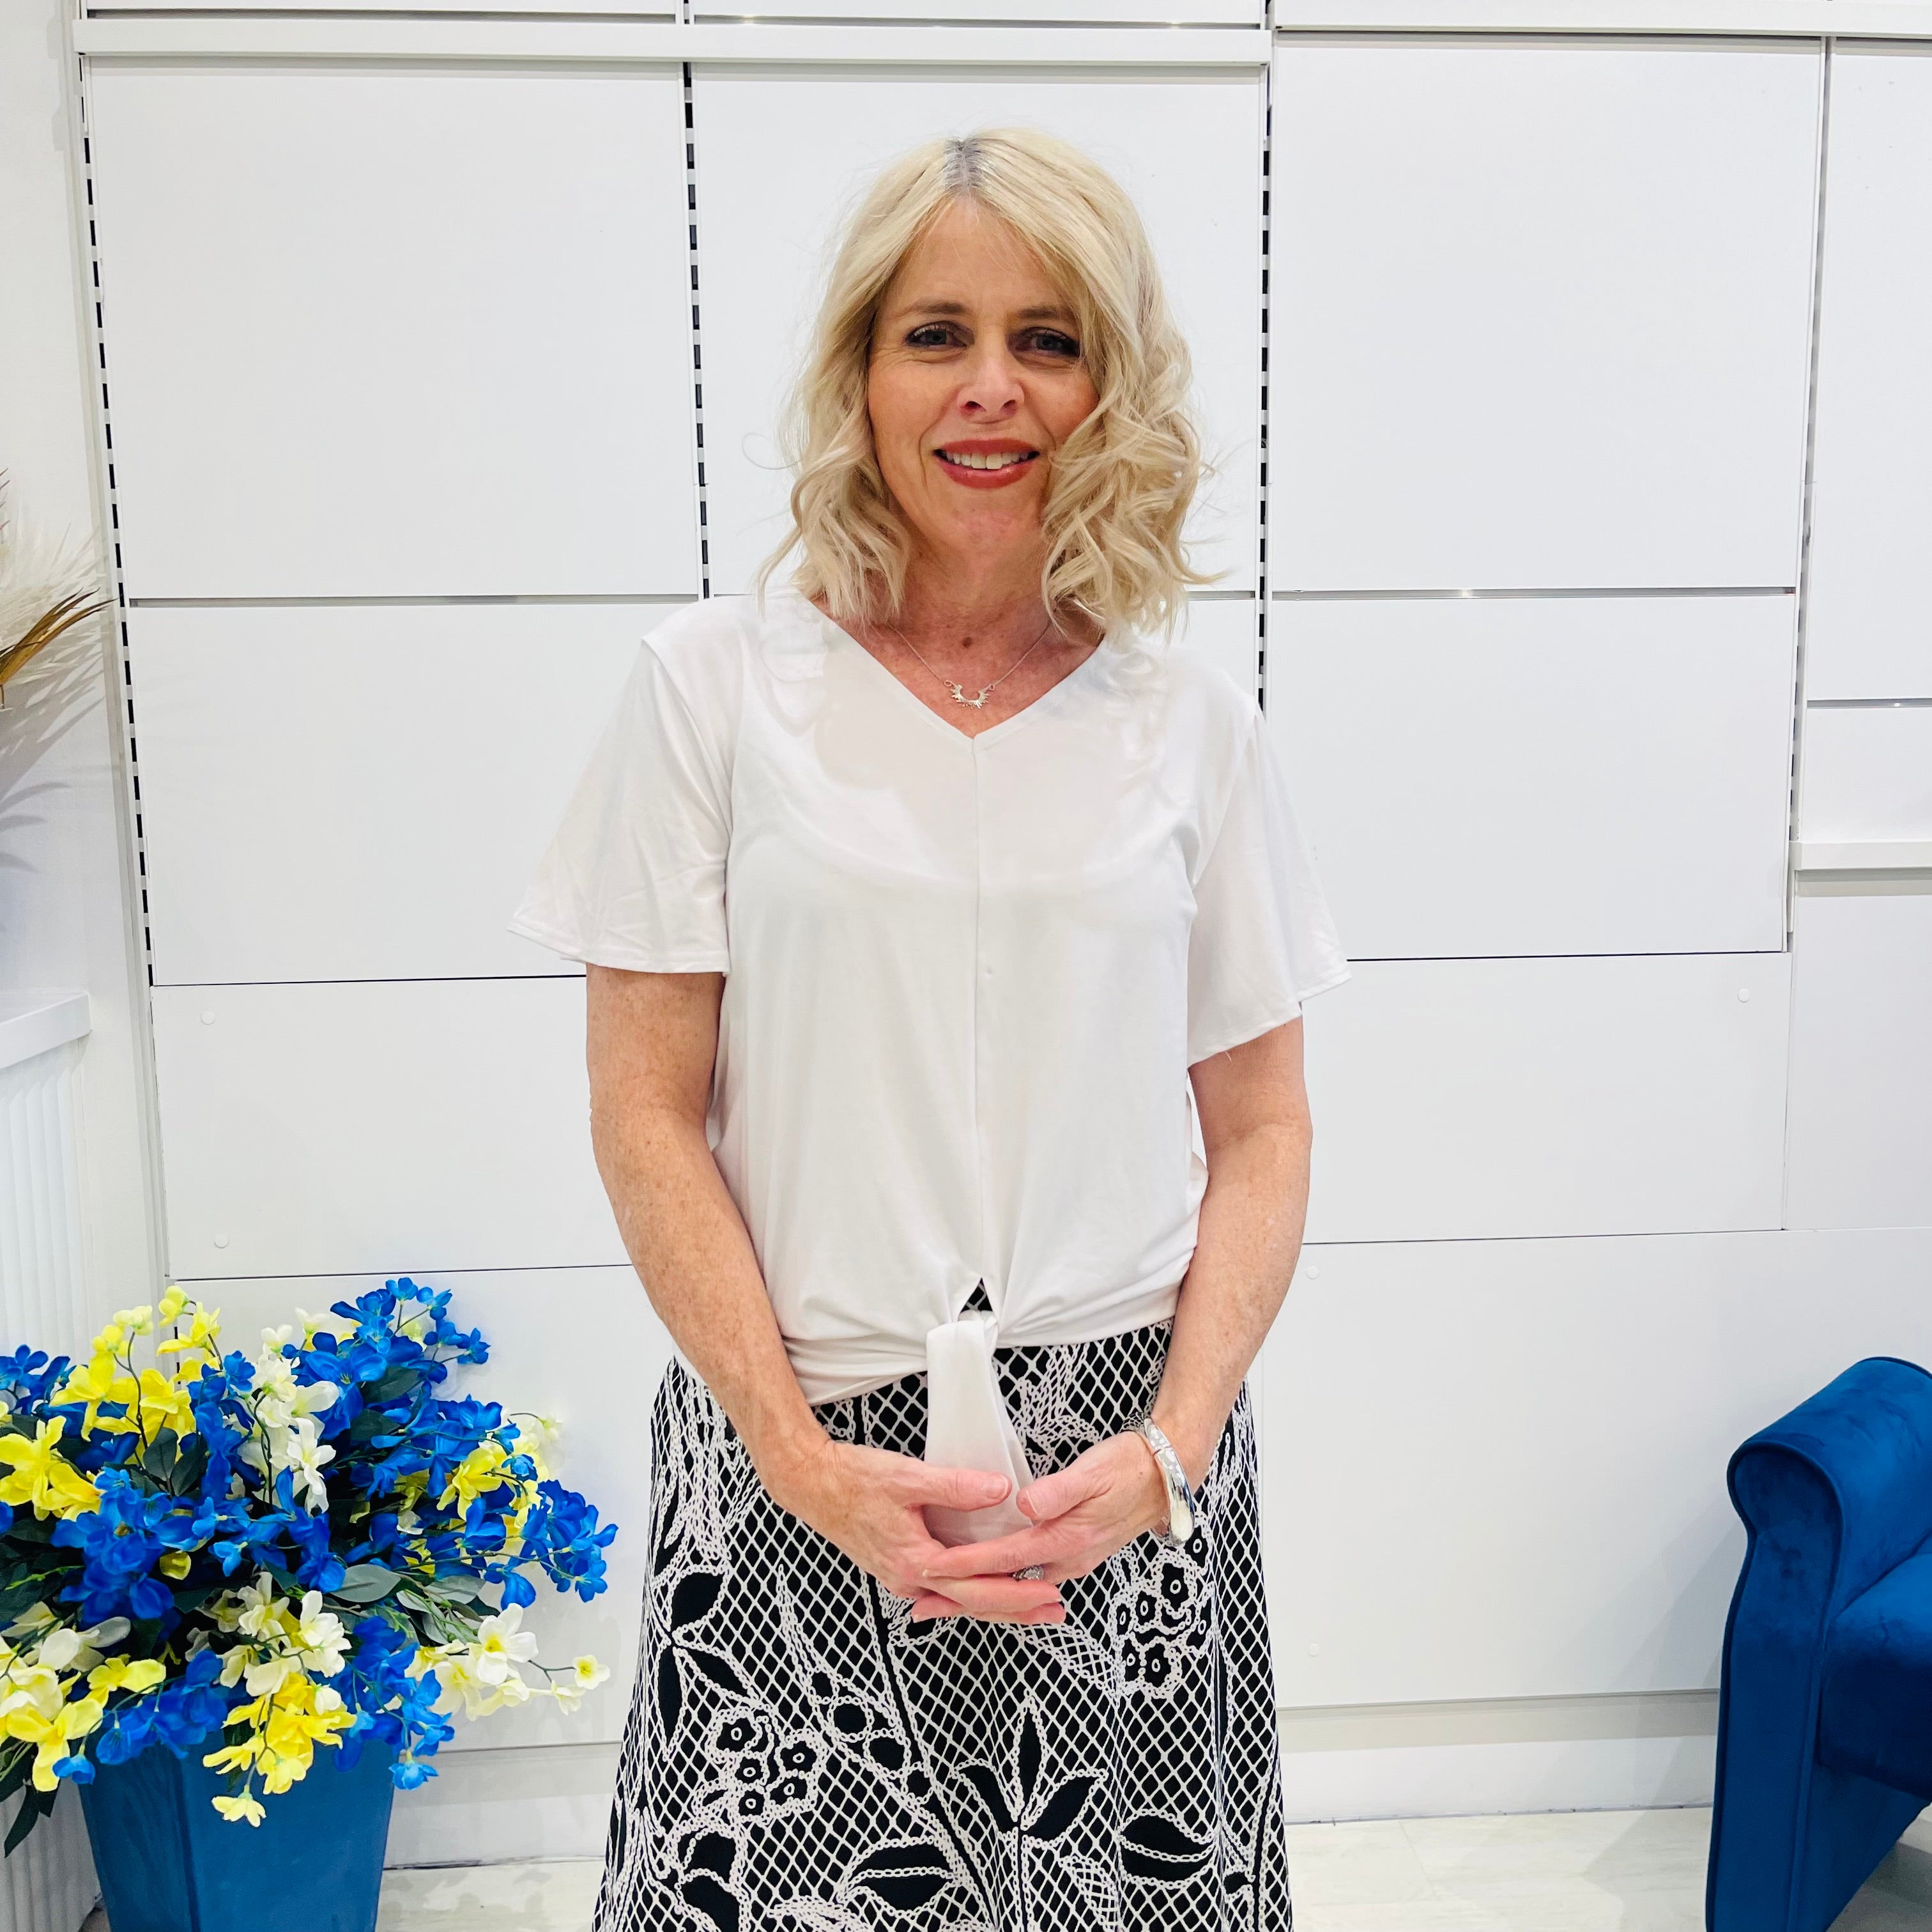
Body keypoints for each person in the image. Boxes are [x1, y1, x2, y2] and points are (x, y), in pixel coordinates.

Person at [510, 123, 1349, 1932]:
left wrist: (1175, 1447)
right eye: (934, 333)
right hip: (800, 1445)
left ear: (1110, 386)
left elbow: (1265, 1131)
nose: (991, 388)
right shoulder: (714, 694)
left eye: (1049, 339)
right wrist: (794, 1459)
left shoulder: (1188, 723)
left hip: (1124, 1473)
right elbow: (645, 1112)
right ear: (860, 373)